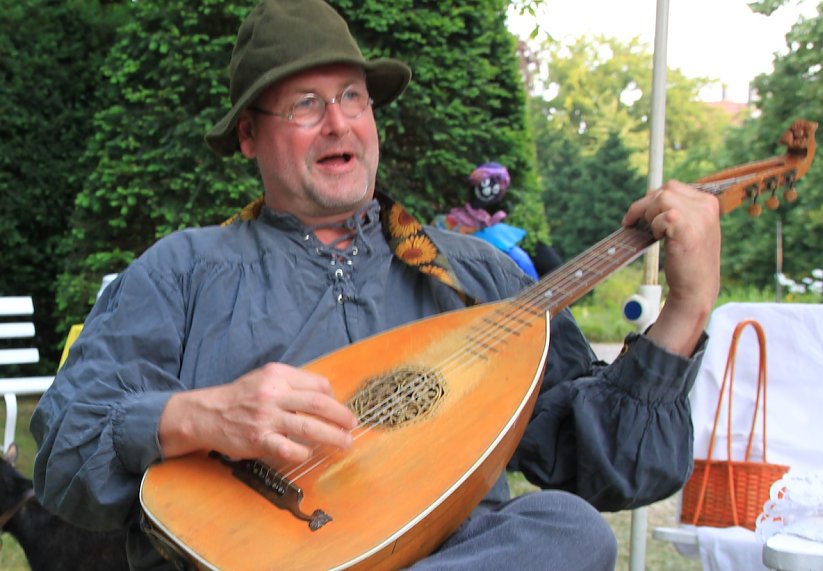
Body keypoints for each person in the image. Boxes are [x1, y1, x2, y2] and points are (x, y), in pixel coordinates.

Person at [31, 1, 721, 570]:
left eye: (352, 97)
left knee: (569, 529)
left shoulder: (475, 274)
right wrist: (202, 416)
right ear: (248, 134)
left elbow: (608, 466)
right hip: (250, 555)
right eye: (306, 103)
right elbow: (65, 446)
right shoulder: (184, 270)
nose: (340, 123)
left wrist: (686, 309)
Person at [433, 161, 563, 279]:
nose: (490, 189)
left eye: (497, 184)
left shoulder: (506, 230)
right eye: (487, 182)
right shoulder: (444, 223)